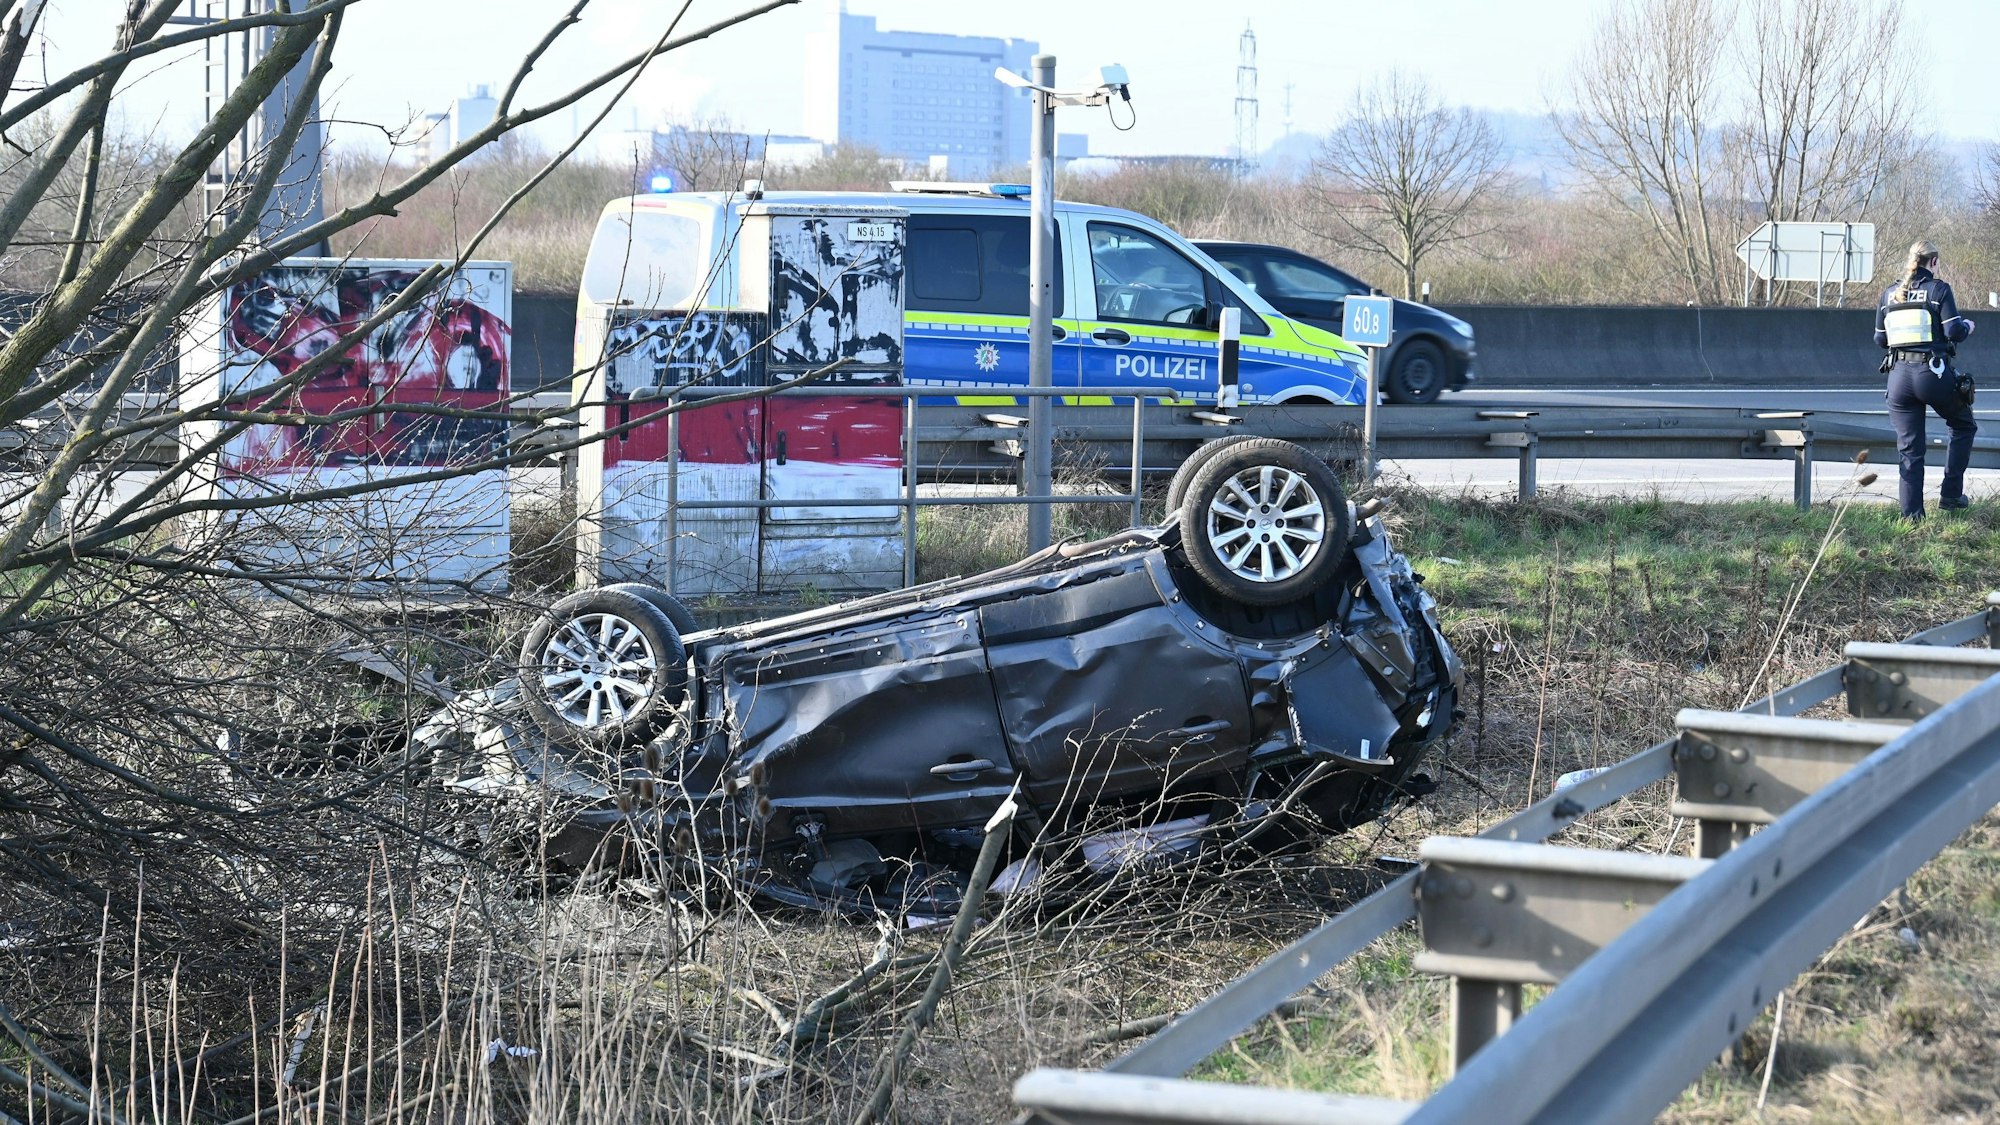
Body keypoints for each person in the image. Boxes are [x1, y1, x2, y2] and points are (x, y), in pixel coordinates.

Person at [1875, 239, 1977, 519]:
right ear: (1933, 262)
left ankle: (1911, 518)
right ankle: (1951, 495)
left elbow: (1880, 339)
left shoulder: (1889, 294)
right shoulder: (1938, 289)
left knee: (1910, 449)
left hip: (1898, 377)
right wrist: (1967, 326)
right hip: (1932, 373)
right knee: (1963, 424)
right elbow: (1954, 331)